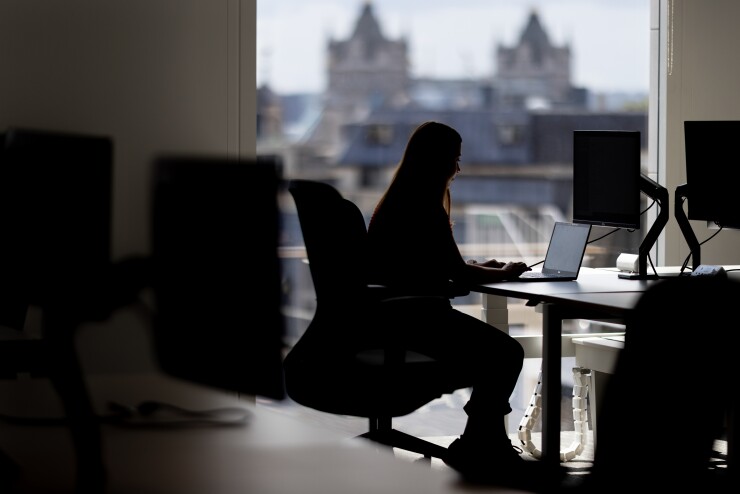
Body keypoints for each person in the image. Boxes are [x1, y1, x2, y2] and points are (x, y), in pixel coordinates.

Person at [366, 121, 545, 486]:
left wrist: (488, 269)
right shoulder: (424, 205)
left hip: (394, 317)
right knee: (506, 353)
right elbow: (459, 275)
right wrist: (506, 272)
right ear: (437, 160)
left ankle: (481, 443)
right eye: (454, 158)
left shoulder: (399, 200)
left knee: (496, 353)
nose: (458, 168)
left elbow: (446, 265)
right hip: (418, 319)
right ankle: (480, 444)